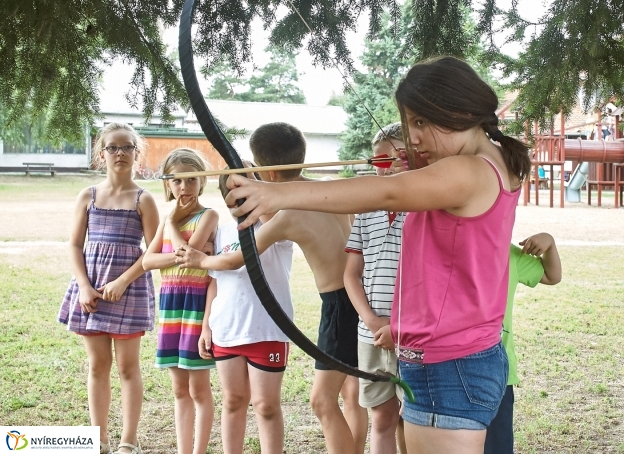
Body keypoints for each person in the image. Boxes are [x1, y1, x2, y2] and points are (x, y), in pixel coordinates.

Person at [223, 56, 530, 454]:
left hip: (447, 364)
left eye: (421, 122)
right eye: (410, 124)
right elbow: (398, 187)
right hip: (461, 356)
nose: (414, 138)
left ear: (456, 110)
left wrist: (275, 192)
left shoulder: (468, 171)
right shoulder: (496, 161)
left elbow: (387, 191)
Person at [175, 123, 367, 454]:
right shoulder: (330, 189)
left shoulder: (289, 214)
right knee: (344, 395)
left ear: (271, 175)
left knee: (323, 402)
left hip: (340, 303)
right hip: (357, 296)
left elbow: (236, 260)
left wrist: (198, 259)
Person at [58, 123, 159, 454]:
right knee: (98, 366)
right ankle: (97, 439)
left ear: (136, 153)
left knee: (129, 368)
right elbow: (74, 246)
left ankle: (128, 440)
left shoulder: (144, 199)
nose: (120, 153)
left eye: (127, 147)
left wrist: (122, 281)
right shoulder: (88, 196)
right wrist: (85, 287)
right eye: (112, 148)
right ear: (101, 154)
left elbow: (154, 252)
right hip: (92, 294)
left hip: (128, 291)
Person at [193, 164, 293, 454]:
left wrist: (256, 188)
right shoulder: (223, 232)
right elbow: (216, 282)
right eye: (232, 188)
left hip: (267, 330)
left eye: (248, 185)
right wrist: (206, 326)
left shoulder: (275, 226)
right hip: (227, 329)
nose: (240, 194)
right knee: (234, 400)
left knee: (266, 405)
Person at [142, 149, 218, 454]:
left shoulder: (207, 215)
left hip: (196, 305)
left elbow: (189, 256)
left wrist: (172, 222)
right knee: (179, 389)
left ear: (201, 181)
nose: (183, 187)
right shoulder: (166, 219)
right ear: (167, 184)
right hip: (171, 307)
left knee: (199, 389)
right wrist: (175, 248)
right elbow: (148, 261)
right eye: (176, 181)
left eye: (190, 180)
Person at [342, 122, 408, 454]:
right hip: (370, 334)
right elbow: (351, 274)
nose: (383, 168)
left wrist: (400, 326)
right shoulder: (366, 212)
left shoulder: (428, 208)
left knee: (413, 420)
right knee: (381, 419)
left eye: (392, 159)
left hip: (412, 333)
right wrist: (370, 320)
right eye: (377, 161)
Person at [484, 233, 562, 454]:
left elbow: (552, 275)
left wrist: (549, 243)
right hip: (450, 368)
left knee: (497, 445)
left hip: (498, 371)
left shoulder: (508, 253)